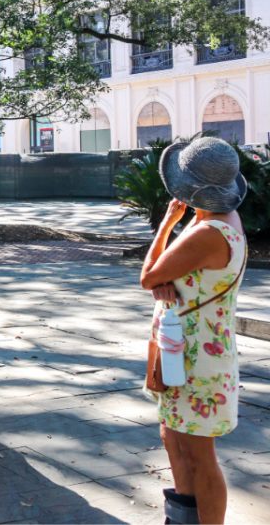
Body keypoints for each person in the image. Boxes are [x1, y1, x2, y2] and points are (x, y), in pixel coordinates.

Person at [140, 136, 248, 524]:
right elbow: (169, 278)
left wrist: (167, 223)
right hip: (186, 352)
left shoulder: (207, 232)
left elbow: (148, 275)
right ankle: (181, 516)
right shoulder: (218, 221)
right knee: (175, 439)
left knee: (200, 454)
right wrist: (169, 281)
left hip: (197, 359)